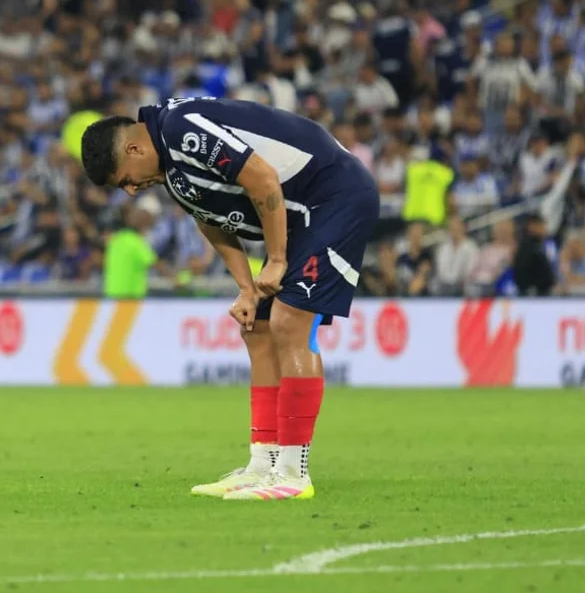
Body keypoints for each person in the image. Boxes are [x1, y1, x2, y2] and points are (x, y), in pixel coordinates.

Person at [80, 96, 380, 501]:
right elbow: (207, 219)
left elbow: (263, 179)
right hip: (298, 214)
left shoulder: (181, 129)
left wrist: (274, 261)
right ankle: (263, 464)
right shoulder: (170, 166)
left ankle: (293, 473)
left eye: (125, 180)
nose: (132, 191)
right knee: (256, 327)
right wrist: (246, 287)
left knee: (290, 323)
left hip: (334, 195)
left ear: (134, 149)